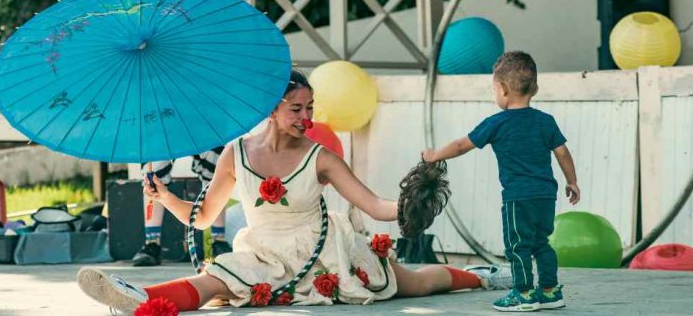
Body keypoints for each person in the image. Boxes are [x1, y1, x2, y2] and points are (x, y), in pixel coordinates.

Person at [78, 71, 499, 313]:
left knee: (412, 284)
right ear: (272, 110)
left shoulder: (320, 157)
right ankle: (137, 298)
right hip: (262, 252)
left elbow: (372, 204)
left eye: (310, 108)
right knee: (217, 280)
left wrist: (408, 206)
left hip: (321, 252)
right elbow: (204, 217)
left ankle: (481, 278)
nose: (307, 118)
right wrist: (166, 197)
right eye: (297, 109)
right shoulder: (235, 153)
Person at [421, 51, 581, 312]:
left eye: (494, 89)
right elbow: (562, 152)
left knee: (518, 246)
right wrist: (572, 181)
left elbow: (462, 145)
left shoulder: (496, 123)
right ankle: (551, 292)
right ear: (535, 88)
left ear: (503, 90)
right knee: (541, 244)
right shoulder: (545, 121)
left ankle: (524, 294)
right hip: (546, 196)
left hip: (518, 198)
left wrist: (434, 155)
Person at [130, 0, 235, 267]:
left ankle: (218, 241)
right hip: (169, 80)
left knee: (218, 159)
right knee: (156, 161)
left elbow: (230, 32)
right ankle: (152, 244)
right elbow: (152, 30)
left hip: (210, 82)